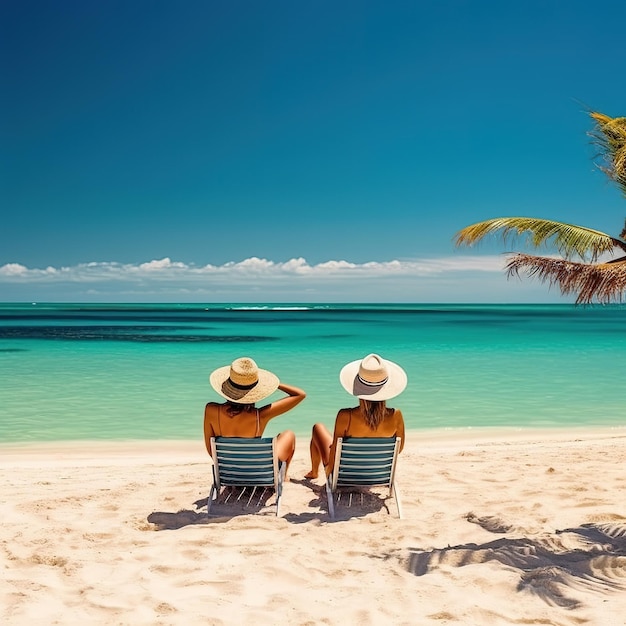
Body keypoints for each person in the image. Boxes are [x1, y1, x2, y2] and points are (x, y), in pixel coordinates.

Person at [305, 353, 407, 479]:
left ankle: (314, 472)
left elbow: (335, 453)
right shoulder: (396, 415)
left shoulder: (346, 415)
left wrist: (330, 469)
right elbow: (399, 449)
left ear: (358, 387)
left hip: (344, 475)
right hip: (377, 475)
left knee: (318, 427)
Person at [204, 356, 305, 479]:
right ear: (255, 390)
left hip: (229, 472)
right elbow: (300, 395)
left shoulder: (211, 410)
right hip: (258, 474)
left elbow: (211, 451)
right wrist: (275, 385)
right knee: (289, 435)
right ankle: (284, 476)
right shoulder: (260, 415)